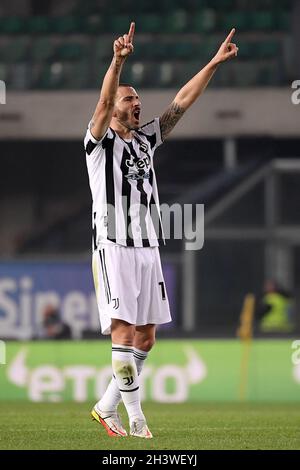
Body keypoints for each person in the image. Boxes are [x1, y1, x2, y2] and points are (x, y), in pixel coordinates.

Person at [84, 22, 238, 439]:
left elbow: (181, 102)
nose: (137, 104)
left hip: (147, 245)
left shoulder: (146, 138)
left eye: (138, 99)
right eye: (130, 99)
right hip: (113, 244)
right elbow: (101, 101)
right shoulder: (98, 142)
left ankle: (104, 405)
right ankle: (136, 419)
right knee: (122, 330)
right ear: (114, 108)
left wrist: (213, 63)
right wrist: (117, 62)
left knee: (147, 337)